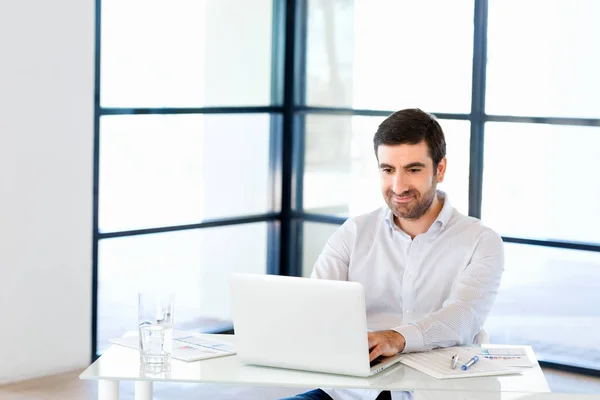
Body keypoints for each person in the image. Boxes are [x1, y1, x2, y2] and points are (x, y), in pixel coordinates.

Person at [282, 108, 504, 400]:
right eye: (388, 170)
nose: (398, 186)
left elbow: (462, 318)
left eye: (413, 170)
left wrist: (396, 338)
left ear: (440, 169)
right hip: (349, 394)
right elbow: (317, 303)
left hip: (432, 395)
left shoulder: (481, 241)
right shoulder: (354, 233)